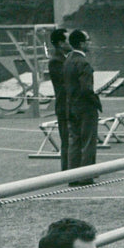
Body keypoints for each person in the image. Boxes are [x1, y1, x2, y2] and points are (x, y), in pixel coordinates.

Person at [64, 29, 101, 181]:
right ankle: (86, 176)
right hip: (85, 107)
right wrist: (96, 101)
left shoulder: (68, 60)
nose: (89, 43)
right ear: (81, 43)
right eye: (87, 41)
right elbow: (86, 89)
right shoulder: (83, 63)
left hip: (71, 105)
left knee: (74, 141)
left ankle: (72, 175)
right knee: (88, 141)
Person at [48, 28, 72, 171]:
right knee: (66, 140)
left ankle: (74, 168)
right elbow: (64, 85)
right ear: (61, 43)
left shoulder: (66, 57)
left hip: (70, 104)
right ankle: (66, 170)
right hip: (64, 105)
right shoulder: (56, 61)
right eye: (68, 40)